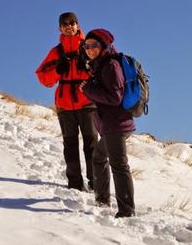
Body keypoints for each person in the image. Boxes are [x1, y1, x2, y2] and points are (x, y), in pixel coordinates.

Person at [36, 12, 98, 191]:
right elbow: (44, 78)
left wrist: (87, 67)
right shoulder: (56, 52)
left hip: (87, 102)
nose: (69, 26)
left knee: (92, 145)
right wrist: (57, 70)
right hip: (64, 105)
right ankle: (74, 184)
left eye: (72, 22)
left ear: (78, 25)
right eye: (65, 24)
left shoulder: (89, 46)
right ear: (60, 28)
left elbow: (102, 71)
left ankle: (96, 183)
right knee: (70, 145)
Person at [80, 28, 136, 218]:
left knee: (119, 166)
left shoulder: (110, 65)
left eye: (94, 45)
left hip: (116, 124)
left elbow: (114, 97)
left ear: (103, 45)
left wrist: (88, 89)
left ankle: (127, 211)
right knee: (98, 157)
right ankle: (102, 201)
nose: (89, 49)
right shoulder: (101, 65)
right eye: (86, 45)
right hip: (112, 124)